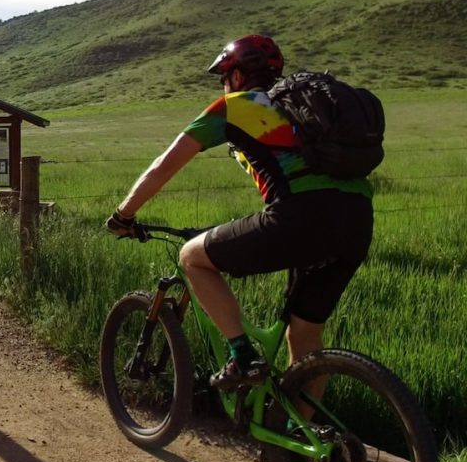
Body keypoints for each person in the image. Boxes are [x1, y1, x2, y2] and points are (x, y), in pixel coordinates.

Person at [105, 35, 374, 391]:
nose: (223, 83)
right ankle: (297, 439)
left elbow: (163, 166)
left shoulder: (235, 107)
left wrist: (124, 214)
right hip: (357, 220)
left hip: (301, 217)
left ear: (238, 74)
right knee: (305, 337)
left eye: (225, 75)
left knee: (191, 258)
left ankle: (242, 357)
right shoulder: (300, 111)